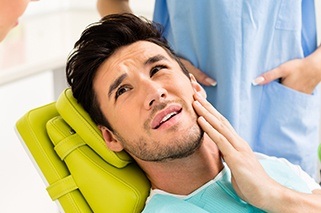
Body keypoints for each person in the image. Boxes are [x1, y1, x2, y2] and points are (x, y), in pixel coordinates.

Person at [66, 13, 321, 212]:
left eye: (157, 69)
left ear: (194, 85)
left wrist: (275, 196)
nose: (154, 92)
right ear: (111, 137)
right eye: (123, 90)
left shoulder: (271, 169)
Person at [96, 0, 321, 180]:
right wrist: (160, 60)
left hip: (280, 102)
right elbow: (110, 2)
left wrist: (313, 68)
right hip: (189, 101)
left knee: (292, 190)